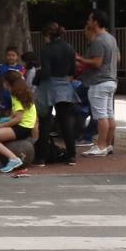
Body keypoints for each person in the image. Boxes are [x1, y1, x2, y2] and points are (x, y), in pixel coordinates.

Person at [76, 9, 119, 156]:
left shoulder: (99, 40)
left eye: (89, 19)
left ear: (95, 22)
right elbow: (117, 58)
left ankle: (100, 146)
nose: (88, 22)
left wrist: (80, 59)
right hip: (111, 80)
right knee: (109, 115)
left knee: (101, 116)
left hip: (99, 82)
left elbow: (97, 63)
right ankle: (107, 145)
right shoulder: (111, 38)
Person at [35, 22, 78, 166]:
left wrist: (37, 75)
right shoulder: (69, 47)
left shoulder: (46, 49)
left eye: (44, 37)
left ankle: (41, 157)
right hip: (65, 87)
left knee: (45, 122)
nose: (44, 39)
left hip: (49, 87)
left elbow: (46, 72)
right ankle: (71, 155)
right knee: (66, 122)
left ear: (48, 35)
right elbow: (73, 70)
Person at [0, 72, 38, 173]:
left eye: (3, 82)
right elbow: (13, 115)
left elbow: (18, 118)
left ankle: (13, 159)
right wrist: (4, 121)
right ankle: (7, 159)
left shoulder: (16, 96)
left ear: (7, 83)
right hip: (24, 127)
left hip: (21, 128)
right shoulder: (22, 93)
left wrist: (2, 126)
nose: (2, 85)